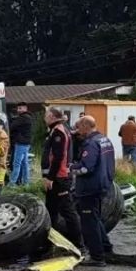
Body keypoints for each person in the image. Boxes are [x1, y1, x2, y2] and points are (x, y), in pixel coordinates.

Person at [73, 116, 115, 266]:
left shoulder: (91, 144)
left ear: (86, 126)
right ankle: (106, 249)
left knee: (89, 223)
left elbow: (86, 168)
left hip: (89, 188)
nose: (78, 131)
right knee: (96, 218)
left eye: (79, 127)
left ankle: (97, 257)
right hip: (103, 185)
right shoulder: (105, 139)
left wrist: (70, 168)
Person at [41, 107, 83, 249]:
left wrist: (50, 178)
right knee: (51, 211)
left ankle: (79, 245)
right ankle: (50, 243)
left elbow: (58, 157)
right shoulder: (56, 130)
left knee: (67, 211)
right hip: (56, 177)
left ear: (52, 117)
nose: (44, 118)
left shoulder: (59, 131)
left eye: (46, 115)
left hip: (60, 178)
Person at [9, 104, 34, 186]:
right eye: (18, 108)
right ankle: (26, 182)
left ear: (25, 109)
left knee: (16, 163)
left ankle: (12, 183)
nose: (18, 110)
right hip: (26, 143)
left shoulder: (23, 118)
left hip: (21, 142)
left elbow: (12, 126)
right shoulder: (28, 117)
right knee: (24, 163)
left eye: (20, 108)